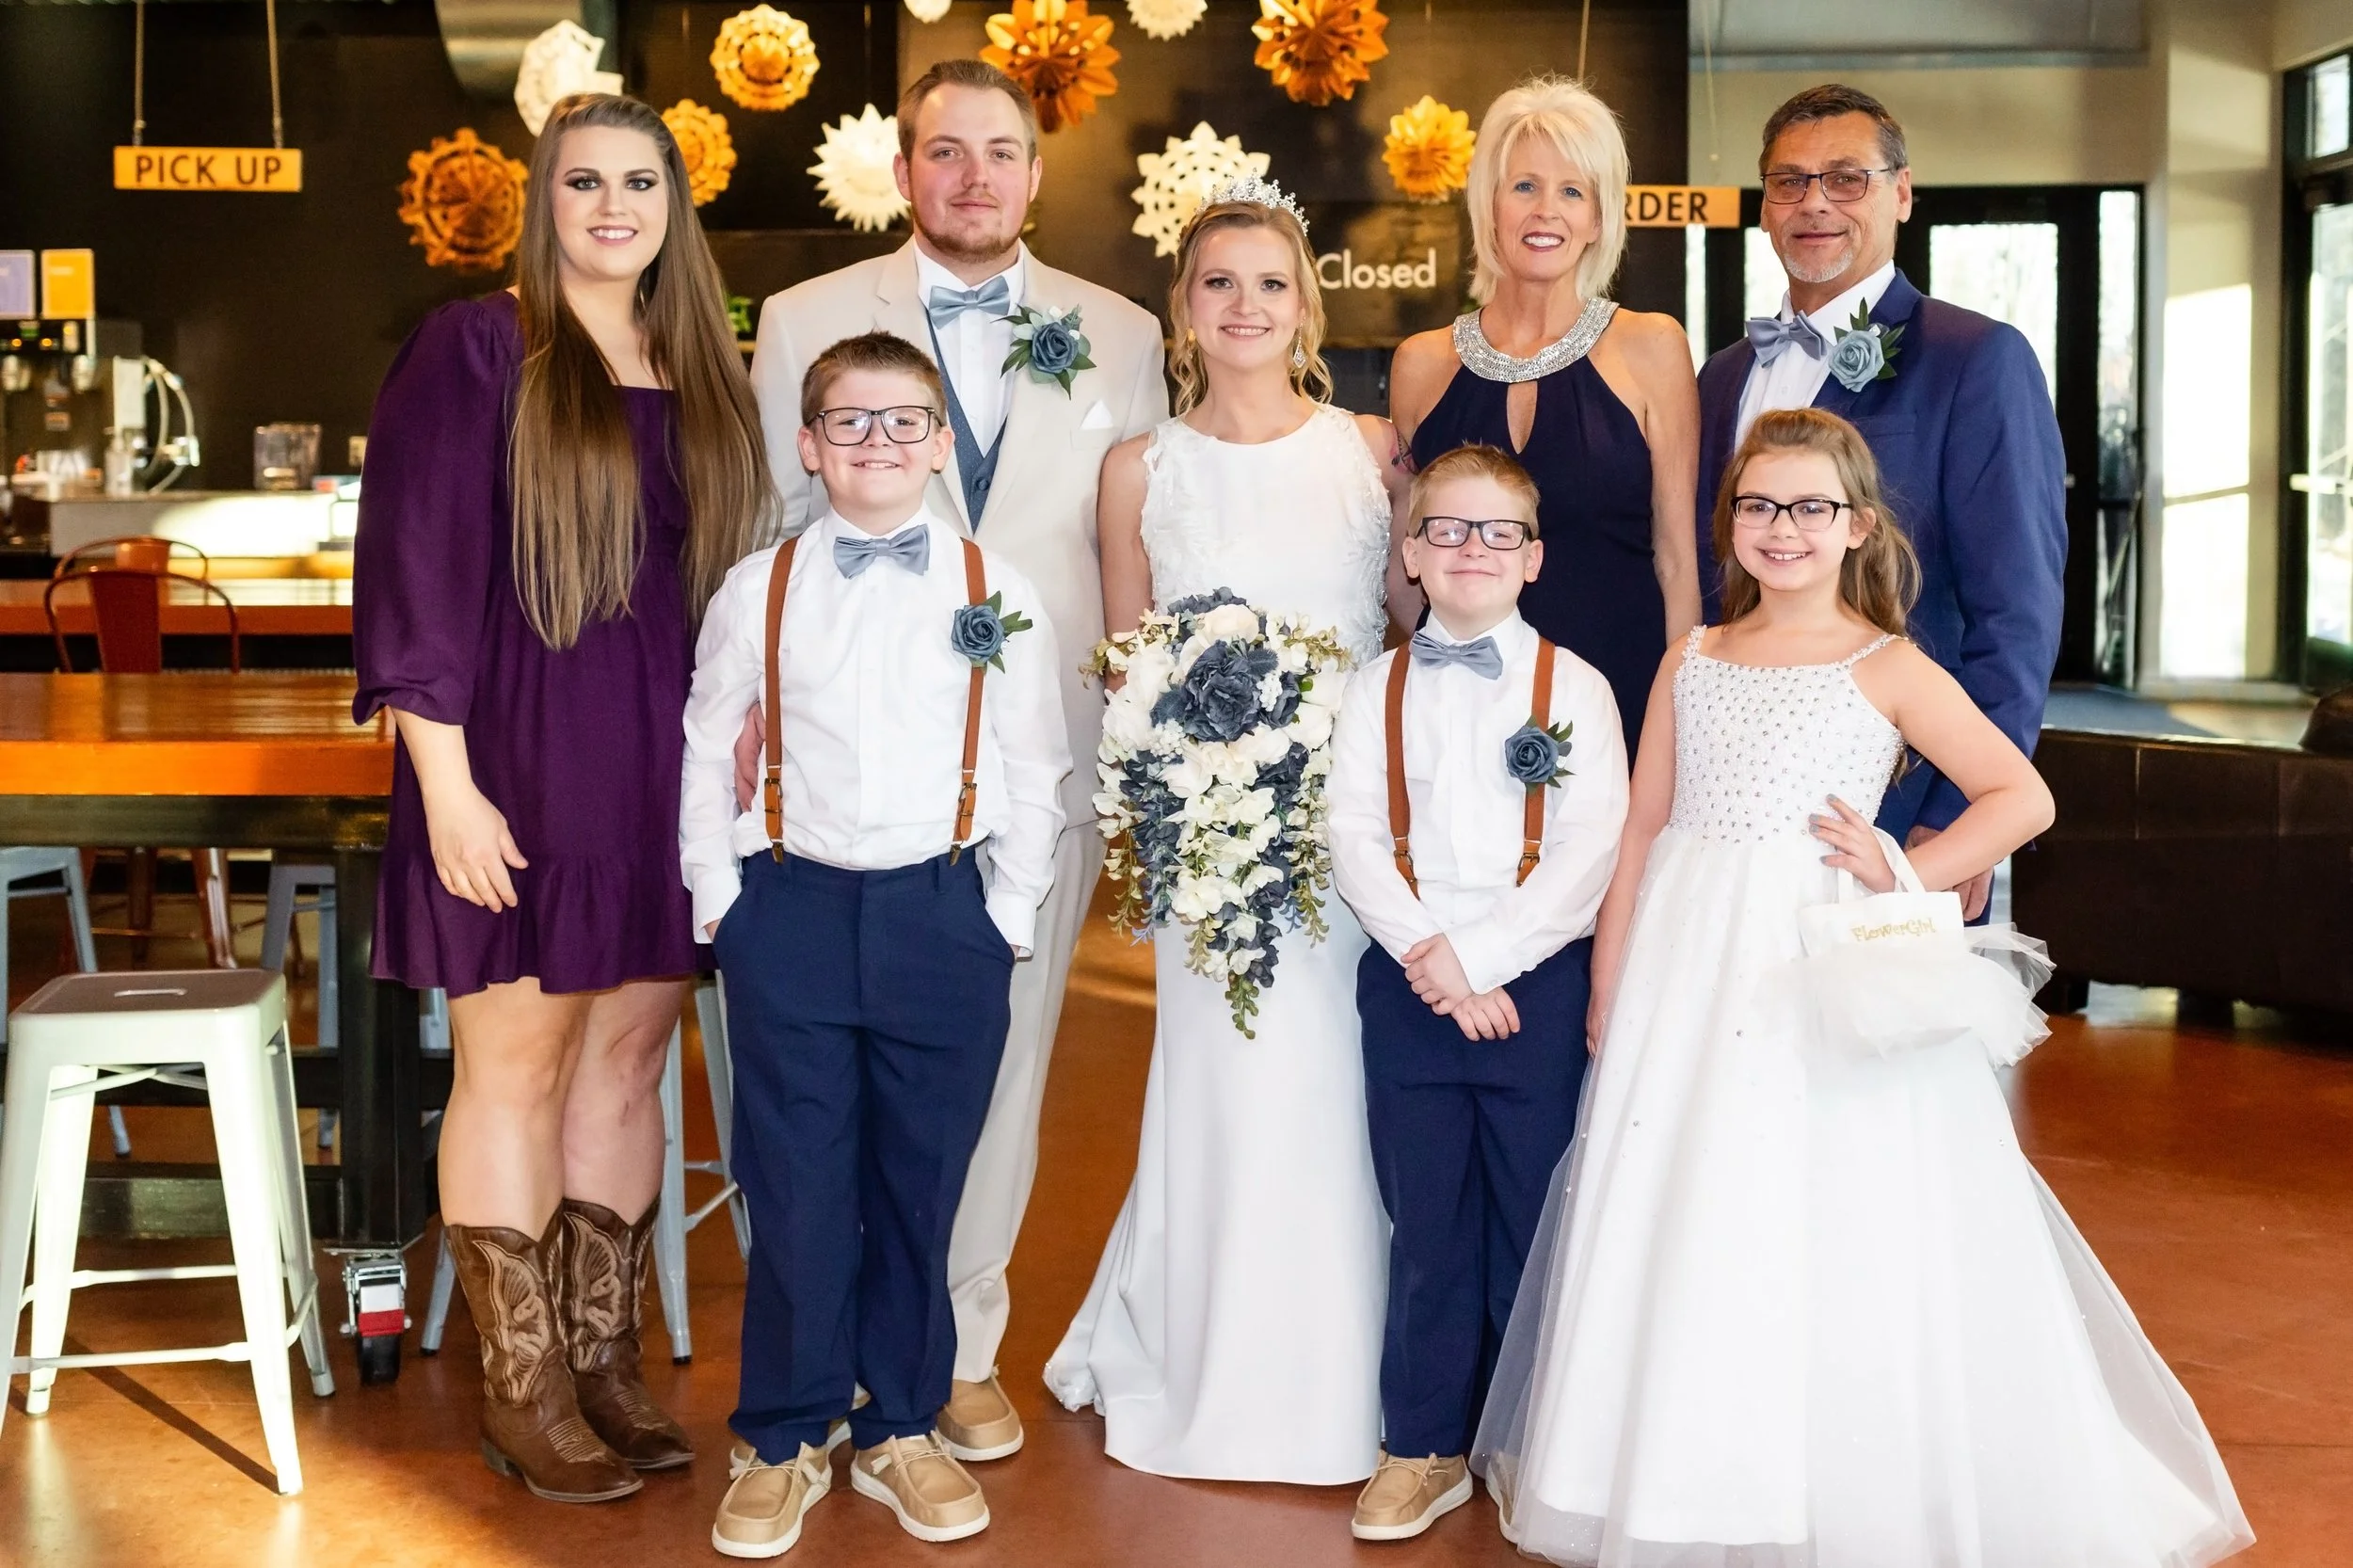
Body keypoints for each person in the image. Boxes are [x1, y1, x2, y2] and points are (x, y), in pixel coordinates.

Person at [1474, 408, 2253, 1568]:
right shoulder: (1691, 656)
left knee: (1814, 1191)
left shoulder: (1883, 662)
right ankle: (1686, 1476)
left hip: (1811, 954)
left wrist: (1903, 868)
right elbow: (1641, 825)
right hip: (1686, 954)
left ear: (1856, 526)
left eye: (1809, 507)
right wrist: (1609, 969)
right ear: (1728, 523)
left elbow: (2019, 796)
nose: (1781, 528)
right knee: (1686, 1191)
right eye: (1757, 505)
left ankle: (1832, 1481)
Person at [744, 58, 1166, 1458]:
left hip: (1038, 768)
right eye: (945, 151)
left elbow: (1135, 545)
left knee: (1004, 1068)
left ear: (1036, 175)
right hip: (847, 775)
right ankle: (824, 1345)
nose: (972, 175)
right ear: (904, 171)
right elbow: (770, 534)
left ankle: (959, 1338)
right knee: (819, 1090)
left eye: (999, 152)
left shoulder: (1120, 331)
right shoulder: (803, 319)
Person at [353, 92, 770, 1503]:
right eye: (583, 181)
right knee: (516, 1069)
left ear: (673, 207)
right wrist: (447, 787)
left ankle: (602, 1362)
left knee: (628, 1063)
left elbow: (730, 593)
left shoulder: (703, 366)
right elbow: (413, 566)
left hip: (666, 770)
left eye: (639, 183)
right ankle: (522, 1386)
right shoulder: (480, 345)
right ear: (544, 200)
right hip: (519, 761)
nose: (612, 206)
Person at [1042, 183, 1412, 1483]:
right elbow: (1126, 664)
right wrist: (1179, 811)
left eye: (1270, 282)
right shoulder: (1139, 471)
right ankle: (1210, 1354)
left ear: (1306, 305)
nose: (1245, 305)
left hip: (1355, 831)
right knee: (1231, 1086)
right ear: (1183, 307)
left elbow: (1415, 633)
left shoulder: (1371, 450)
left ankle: (1354, 1363)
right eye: (1218, 282)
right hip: (1214, 838)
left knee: (1342, 1085)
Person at [681, 332, 1070, 1556]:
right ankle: (787, 1433)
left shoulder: (996, 588)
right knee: (796, 1185)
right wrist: (720, 902)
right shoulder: (758, 588)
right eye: (849, 421)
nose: (878, 441)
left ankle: (900, 1422)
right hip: (789, 910)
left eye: (905, 420)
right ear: (809, 446)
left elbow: (1036, 760)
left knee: (919, 1183)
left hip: (943, 916)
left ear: (941, 442)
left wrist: (1005, 912)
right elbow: (706, 743)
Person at [1327, 444, 1628, 1541]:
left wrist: (1486, 959)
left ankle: (1524, 1440)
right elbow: (1354, 836)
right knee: (1425, 1221)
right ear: (1410, 551)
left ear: (1533, 557)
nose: (1470, 549)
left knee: (1533, 1217)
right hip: (1409, 984)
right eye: (1446, 529)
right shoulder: (1373, 687)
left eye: (1497, 532)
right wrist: (1436, 961)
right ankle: (1422, 1445)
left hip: (1534, 989)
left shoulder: (1578, 689)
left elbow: (1591, 851)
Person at [1698, 83, 2066, 917]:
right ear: (1765, 205)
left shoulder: (1977, 359)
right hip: (1732, 804)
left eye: (1846, 178)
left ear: (1901, 192)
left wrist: (1962, 816)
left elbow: (2017, 609)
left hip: (1899, 802)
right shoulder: (1722, 377)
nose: (1815, 202)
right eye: (1790, 181)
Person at [1391, 74, 1701, 753]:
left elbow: (1679, 562)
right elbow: (1407, 561)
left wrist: (1680, 734)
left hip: (1621, 699)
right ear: (1488, 205)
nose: (1546, 212)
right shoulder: (1420, 364)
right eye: (1525, 186)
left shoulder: (1651, 347)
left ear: (1599, 219)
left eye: (1572, 192)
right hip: (1460, 711)